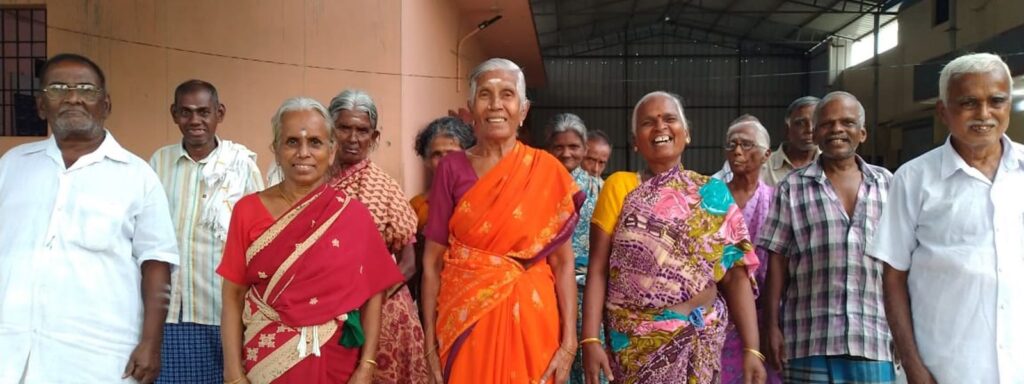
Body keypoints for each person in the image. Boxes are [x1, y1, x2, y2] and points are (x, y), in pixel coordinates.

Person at [0, 53, 178, 383]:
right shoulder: (12, 166)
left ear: (106, 104)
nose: (73, 97)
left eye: (86, 89)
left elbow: (157, 262)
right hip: (12, 352)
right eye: (57, 88)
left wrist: (151, 344)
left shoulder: (137, 176)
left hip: (99, 356)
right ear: (41, 106)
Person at [581, 91, 766, 384]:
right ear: (635, 142)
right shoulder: (619, 187)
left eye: (669, 119)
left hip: (700, 344)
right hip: (635, 349)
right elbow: (598, 269)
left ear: (687, 133)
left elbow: (735, 277)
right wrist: (590, 339)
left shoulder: (712, 194)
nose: (660, 127)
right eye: (647, 122)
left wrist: (752, 348)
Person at [217, 97, 402, 383]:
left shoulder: (352, 215)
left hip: (335, 360)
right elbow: (232, 295)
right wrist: (233, 374)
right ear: (276, 150)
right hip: (266, 358)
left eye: (315, 142)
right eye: (292, 142)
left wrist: (366, 366)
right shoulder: (248, 210)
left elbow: (372, 295)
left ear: (331, 151)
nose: (303, 152)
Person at [421, 58, 581, 384]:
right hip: (464, 319)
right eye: (485, 95)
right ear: (471, 108)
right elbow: (432, 262)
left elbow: (563, 264)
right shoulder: (451, 169)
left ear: (523, 110)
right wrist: (428, 343)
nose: (496, 105)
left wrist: (569, 343)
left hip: (534, 321)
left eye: (507, 94)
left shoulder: (547, 170)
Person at [869, 52, 1024, 383]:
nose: (984, 114)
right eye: (968, 103)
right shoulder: (914, 179)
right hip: (948, 369)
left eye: (996, 101)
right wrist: (912, 366)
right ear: (943, 111)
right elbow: (893, 276)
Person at [758, 91, 895, 383]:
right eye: (827, 124)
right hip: (809, 338)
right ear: (816, 133)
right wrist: (771, 326)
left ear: (863, 132)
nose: (836, 130)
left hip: (873, 337)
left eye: (846, 122)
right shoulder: (793, 187)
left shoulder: (888, 185)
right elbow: (777, 262)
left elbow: (900, 264)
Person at [149, 79, 264, 383]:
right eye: (185, 112)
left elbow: (259, 237)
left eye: (204, 111)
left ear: (219, 113)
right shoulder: (159, 162)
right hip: (170, 311)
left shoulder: (241, 166)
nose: (195, 121)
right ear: (174, 114)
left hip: (221, 308)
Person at [327, 89, 429, 383]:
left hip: (382, 309)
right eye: (344, 127)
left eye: (362, 130)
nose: (353, 138)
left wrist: (368, 300)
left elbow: (409, 262)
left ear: (374, 136)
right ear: (330, 128)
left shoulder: (385, 187)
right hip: (324, 307)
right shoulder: (313, 181)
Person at [718, 120, 781, 384]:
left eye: (746, 144)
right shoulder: (712, 198)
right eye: (731, 144)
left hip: (765, 314)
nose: (737, 150)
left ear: (767, 154)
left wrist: (773, 322)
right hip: (719, 317)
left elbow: (780, 262)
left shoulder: (777, 199)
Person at [544, 113, 605, 384]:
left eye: (573, 147)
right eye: (559, 146)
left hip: (589, 292)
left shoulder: (599, 189)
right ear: (549, 148)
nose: (566, 153)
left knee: (590, 362)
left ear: (584, 149)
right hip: (547, 290)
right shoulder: (537, 186)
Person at [410, 116, 476, 232]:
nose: (445, 162)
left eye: (452, 153)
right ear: (426, 160)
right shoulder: (417, 207)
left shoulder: (481, 198)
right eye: (437, 154)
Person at [763, 96, 820, 186]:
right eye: (801, 123)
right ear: (787, 129)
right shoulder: (764, 166)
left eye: (815, 122)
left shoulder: (832, 163)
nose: (809, 129)